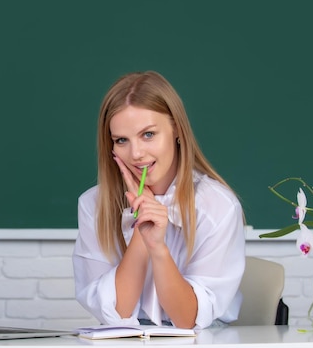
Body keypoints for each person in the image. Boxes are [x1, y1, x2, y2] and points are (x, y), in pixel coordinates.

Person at [72, 71, 245, 329]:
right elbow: (117, 314)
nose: (137, 154)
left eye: (148, 135)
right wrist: (141, 235)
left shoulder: (218, 206)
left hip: (201, 344)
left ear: (175, 127)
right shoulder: (93, 206)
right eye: (122, 140)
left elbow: (187, 321)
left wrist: (158, 248)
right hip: (126, 343)